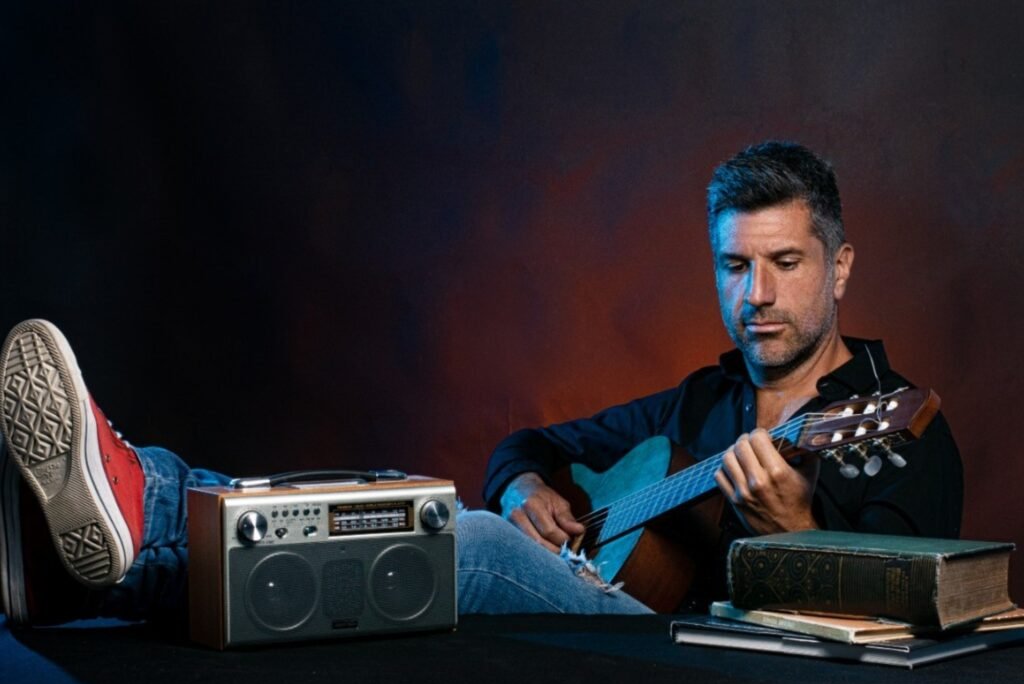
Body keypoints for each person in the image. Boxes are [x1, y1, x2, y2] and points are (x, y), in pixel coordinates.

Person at [0, 141, 963, 629]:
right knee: (396, 499)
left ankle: (147, 496)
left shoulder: (894, 423)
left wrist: (794, 533)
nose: (757, 296)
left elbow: (905, 624)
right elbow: (526, 445)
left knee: (459, 540)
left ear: (840, 268)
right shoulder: (703, 400)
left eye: (786, 264)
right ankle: (120, 560)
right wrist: (525, 486)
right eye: (734, 265)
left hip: (682, 661)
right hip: (600, 614)